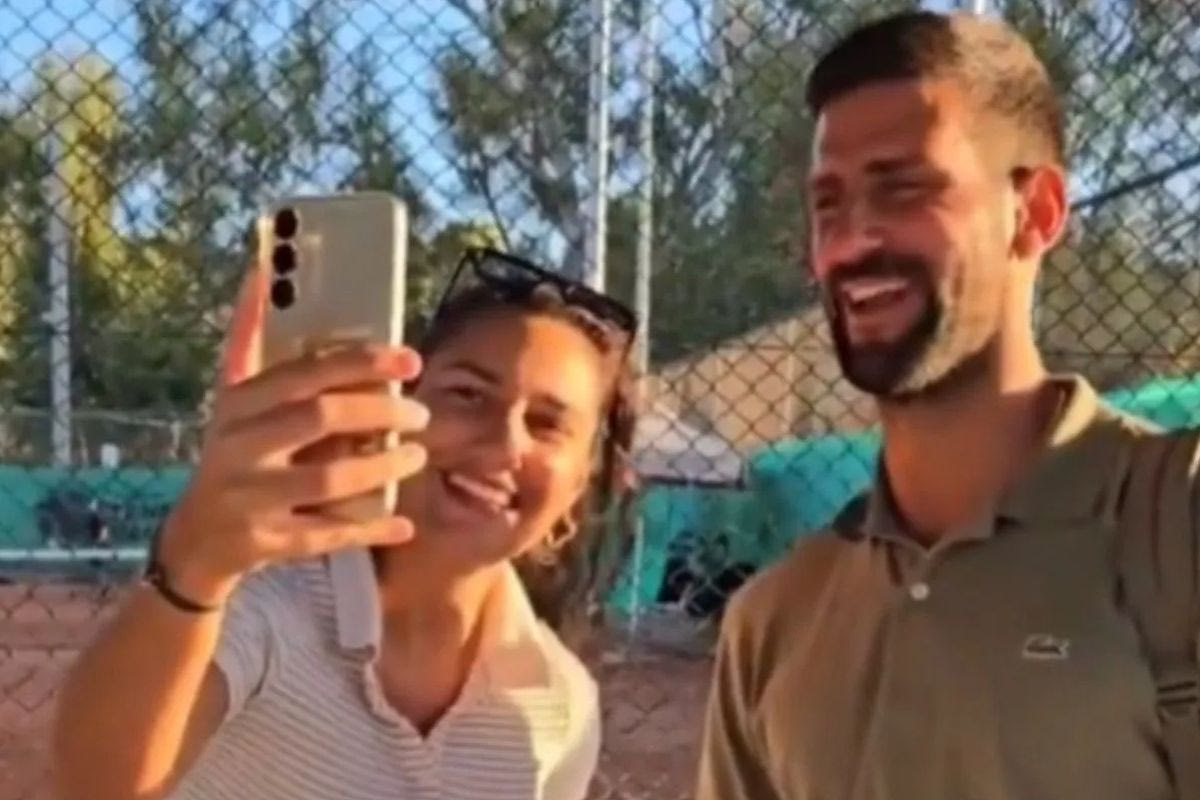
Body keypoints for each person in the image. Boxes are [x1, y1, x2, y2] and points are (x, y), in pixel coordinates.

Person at [697, 10, 1200, 800]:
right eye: (828, 204)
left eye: (904, 189)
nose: (853, 241)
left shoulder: (1174, 528)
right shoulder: (774, 621)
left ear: (1036, 213)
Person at [53, 247, 638, 800]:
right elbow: (95, 788)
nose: (505, 442)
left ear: (576, 489)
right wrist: (194, 567)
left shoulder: (562, 705)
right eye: (467, 394)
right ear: (395, 408)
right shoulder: (260, 598)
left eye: (546, 424)